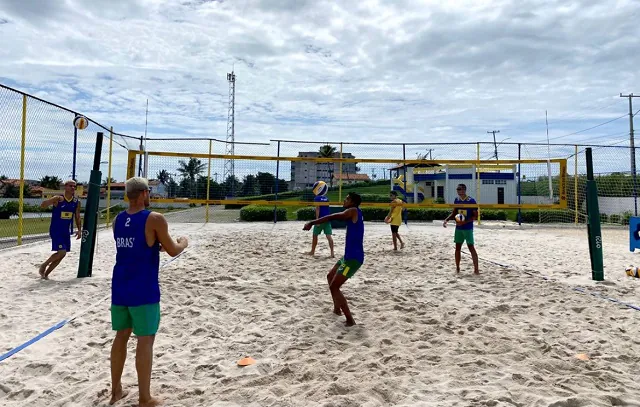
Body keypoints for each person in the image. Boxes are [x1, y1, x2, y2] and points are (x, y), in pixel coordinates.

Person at [109, 177, 188, 407]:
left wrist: (156, 244)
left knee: (121, 336)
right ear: (143, 193)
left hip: (120, 286)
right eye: (149, 191)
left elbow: (138, 245)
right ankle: (144, 398)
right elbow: (173, 250)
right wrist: (183, 242)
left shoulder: (117, 219)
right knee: (145, 340)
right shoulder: (155, 219)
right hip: (142, 288)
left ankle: (116, 391)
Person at [303, 192, 364, 326]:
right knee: (330, 276)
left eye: (347, 198)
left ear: (353, 202)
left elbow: (334, 216)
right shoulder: (355, 212)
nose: (344, 200)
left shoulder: (353, 211)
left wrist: (312, 222)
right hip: (347, 256)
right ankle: (337, 309)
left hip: (353, 258)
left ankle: (350, 320)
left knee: (334, 287)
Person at [38, 179, 81, 279]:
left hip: (65, 231)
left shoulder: (76, 202)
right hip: (56, 230)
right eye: (70, 186)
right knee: (62, 252)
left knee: (62, 255)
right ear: (65, 187)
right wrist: (49, 201)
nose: (73, 188)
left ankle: (46, 274)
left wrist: (79, 230)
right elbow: (43, 205)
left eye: (74, 186)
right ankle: (44, 265)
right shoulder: (59, 199)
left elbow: (77, 217)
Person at [443, 183, 479, 274]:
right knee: (457, 248)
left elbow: (476, 216)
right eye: (458, 189)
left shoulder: (471, 201)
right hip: (458, 227)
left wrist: (465, 222)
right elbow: (454, 212)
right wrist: (446, 220)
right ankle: (458, 268)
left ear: (465, 190)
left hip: (467, 227)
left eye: (461, 189)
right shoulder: (457, 200)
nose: (459, 191)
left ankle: (476, 270)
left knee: (471, 247)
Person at [306, 191, 335, 257]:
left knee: (315, 235)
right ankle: (332, 253)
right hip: (327, 218)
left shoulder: (317, 198)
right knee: (329, 236)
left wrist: (317, 220)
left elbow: (318, 208)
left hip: (321, 219)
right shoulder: (326, 198)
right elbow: (327, 208)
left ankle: (312, 251)